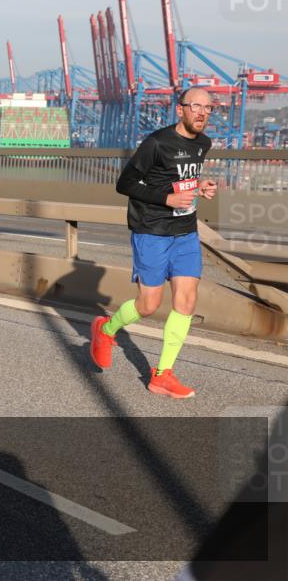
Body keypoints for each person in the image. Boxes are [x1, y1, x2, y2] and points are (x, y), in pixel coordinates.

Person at [90, 87, 217, 399]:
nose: (201, 113)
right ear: (180, 109)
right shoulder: (157, 143)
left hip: (186, 231)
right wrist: (167, 198)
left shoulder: (203, 143)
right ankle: (106, 330)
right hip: (152, 230)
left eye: (208, 108)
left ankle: (162, 374)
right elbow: (125, 184)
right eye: (195, 106)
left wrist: (200, 186)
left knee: (186, 300)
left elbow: (179, 177)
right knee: (148, 305)